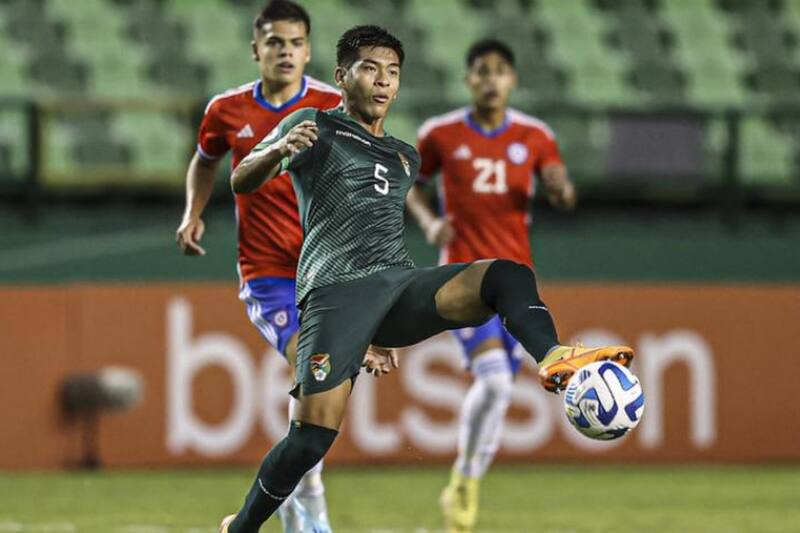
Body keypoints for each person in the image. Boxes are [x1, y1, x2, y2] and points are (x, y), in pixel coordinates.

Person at [219, 25, 634, 533]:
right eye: (369, 69)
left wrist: (381, 324)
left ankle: (553, 356)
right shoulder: (314, 125)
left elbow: (383, 234)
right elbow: (242, 180)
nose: (382, 82)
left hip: (395, 286)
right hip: (334, 294)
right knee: (310, 440)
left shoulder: (402, 157)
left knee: (504, 275)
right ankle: (240, 527)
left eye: (392, 73)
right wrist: (275, 151)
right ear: (341, 76)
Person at [175, 2, 344, 531]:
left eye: (295, 43)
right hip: (268, 276)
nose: (285, 51)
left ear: (309, 50)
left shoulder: (331, 105)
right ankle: (309, 509)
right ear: (256, 50)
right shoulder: (226, 110)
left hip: (322, 274)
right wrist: (193, 213)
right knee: (313, 370)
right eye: (275, 42)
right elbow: (204, 163)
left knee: (322, 387)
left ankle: (302, 492)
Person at [405, 38, 576, 532]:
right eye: (481, 71)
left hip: (516, 284)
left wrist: (562, 190)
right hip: (461, 278)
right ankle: (465, 481)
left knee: (502, 389)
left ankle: (466, 477)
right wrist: (429, 222)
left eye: (499, 71)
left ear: (512, 79)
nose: (490, 80)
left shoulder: (535, 135)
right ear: (469, 79)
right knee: (497, 379)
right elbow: (413, 185)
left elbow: (559, 182)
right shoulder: (439, 134)